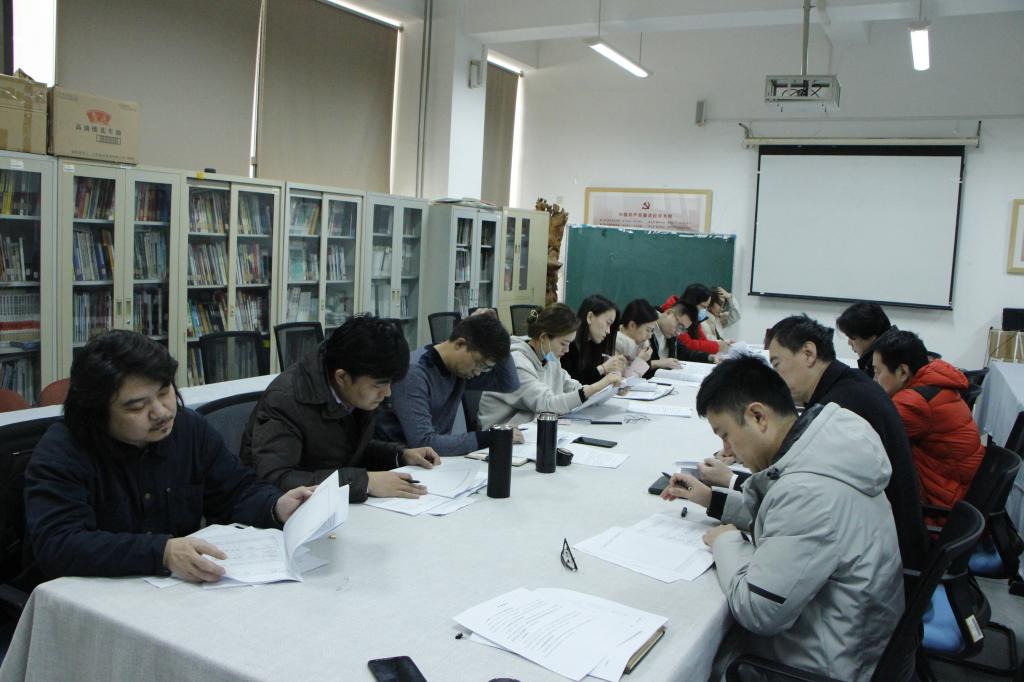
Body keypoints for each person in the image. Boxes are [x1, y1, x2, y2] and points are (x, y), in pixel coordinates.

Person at [662, 356, 903, 681]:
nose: (727, 451)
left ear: (758, 416)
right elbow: (784, 520)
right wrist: (711, 499)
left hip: (822, 664)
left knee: (692, 651)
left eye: (726, 435)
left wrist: (726, 541)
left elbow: (758, 610)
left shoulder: (807, 492)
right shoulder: (827, 443)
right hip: (851, 633)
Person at [23, 331, 315, 583]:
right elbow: (59, 545)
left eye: (165, 392)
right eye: (137, 407)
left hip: (176, 589)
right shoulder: (63, 451)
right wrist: (161, 552)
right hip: (91, 594)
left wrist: (275, 506)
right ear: (96, 413)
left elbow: (235, 491)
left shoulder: (188, 429)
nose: (161, 412)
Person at [239, 314, 441, 504]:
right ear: (342, 377)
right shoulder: (286, 400)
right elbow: (276, 478)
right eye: (379, 385)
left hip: (333, 505)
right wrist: (365, 482)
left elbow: (349, 449)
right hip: (284, 515)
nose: (387, 393)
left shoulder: (354, 389)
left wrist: (399, 455)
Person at [375, 310, 521, 456]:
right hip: (399, 463)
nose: (478, 372)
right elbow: (423, 442)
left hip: (434, 460)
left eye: (484, 368)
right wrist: (490, 437)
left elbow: (509, 383)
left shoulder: (458, 369)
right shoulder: (415, 373)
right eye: (478, 363)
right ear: (460, 344)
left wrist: (498, 337)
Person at [872, 330, 984, 508]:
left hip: (939, 503)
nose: (875, 379)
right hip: (960, 491)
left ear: (903, 372)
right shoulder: (933, 381)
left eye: (878, 372)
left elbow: (868, 433)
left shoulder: (914, 404)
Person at [478, 304, 623, 428]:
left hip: (528, 432)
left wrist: (612, 388)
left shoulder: (550, 358)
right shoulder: (516, 363)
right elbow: (548, 404)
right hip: (498, 439)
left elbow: (573, 388)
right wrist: (597, 385)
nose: (567, 350)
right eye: (563, 344)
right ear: (543, 338)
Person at [561, 294, 625, 385]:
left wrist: (615, 382)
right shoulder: (567, 345)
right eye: (608, 323)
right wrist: (603, 368)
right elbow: (571, 385)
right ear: (590, 317)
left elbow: (592, 382)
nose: (608, 331)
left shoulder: (594, 346)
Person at [662, 284, 729, 355]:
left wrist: (715, 348)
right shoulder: (674, 314)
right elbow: (687, 344)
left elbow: (702, 339)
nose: (705, 310)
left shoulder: (694, 317)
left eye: (707, 307)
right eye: (704, 306)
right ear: (694, 301)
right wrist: (717, 346)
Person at [836, 301, 896, 375]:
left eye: (851, 337)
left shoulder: (884, 362)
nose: (849, 343)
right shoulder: (894, 345)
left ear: (870, 335)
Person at [653, 297, 715, 365]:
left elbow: (685, 353)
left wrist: (709, 357)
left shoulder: (670, 336)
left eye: (683, 330)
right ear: (668, 313)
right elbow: (643, 365)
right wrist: (655, 364)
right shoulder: (646, 326)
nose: (678, 333)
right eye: (680, 326)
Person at [614, 299, 657, 376]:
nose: (650, 336)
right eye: (647, 330)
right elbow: (620, 382)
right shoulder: (614, 344)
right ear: (632, 325)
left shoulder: (639, 347)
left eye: (651, 331)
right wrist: (640, 360)